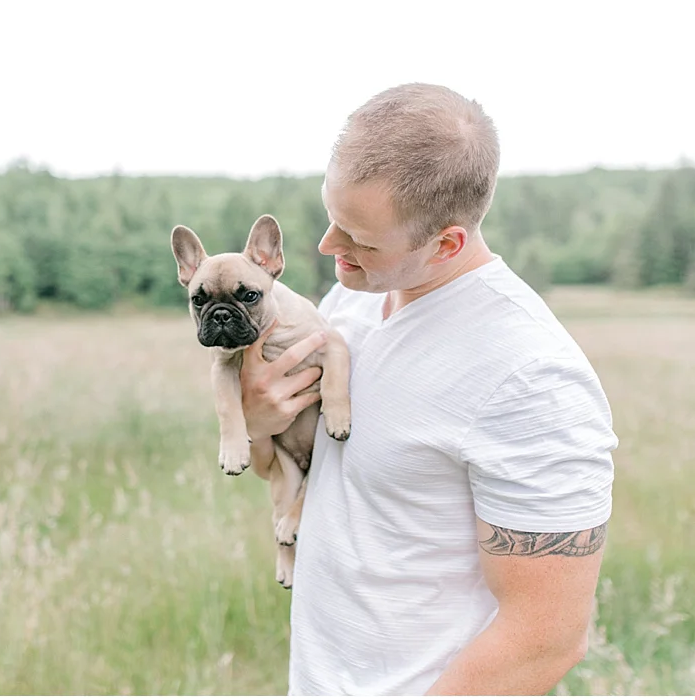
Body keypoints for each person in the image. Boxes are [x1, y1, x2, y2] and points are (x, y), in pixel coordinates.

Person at [239, 83, 618, 696]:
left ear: (447, 244)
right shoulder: (351, 302)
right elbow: (304, 472)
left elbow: (546, 639)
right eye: (332, 219)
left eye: (359, 239)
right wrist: (257, 422)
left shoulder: (530, 378)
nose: (328, 247)